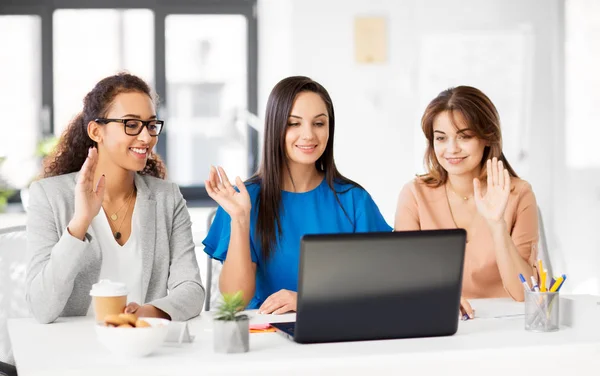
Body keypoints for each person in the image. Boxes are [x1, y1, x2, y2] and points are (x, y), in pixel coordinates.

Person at [26, 73, 204, 324]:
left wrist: (144, 314)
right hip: (70, 352)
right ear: (96, 131)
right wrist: (80, 222)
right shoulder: (50, 196)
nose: (146, 138)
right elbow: (41, 308)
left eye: (151, 125)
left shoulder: (167, 198)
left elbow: (192, 290)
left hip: (142, 346)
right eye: (131, 124)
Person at [203, 76, 391, 314]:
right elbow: (236, 301)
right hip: (267, 336)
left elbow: (379, 285)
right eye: (294, 124)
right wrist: (240, 220)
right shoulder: (244, 201)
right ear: (276, 127)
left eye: (319, 124)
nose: (309, 135)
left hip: (338, 332)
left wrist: (309, 300)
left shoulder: (354, 200)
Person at [395, 86, 539, 318]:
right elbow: (405, 280)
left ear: (487, 137)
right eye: (441, 138)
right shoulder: (414, 194)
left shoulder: (519, 193)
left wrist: (497, 225)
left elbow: (525, 293)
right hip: (438, 320)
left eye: (464, 136)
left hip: (505, 325)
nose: (451, 149)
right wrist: (439, 298)